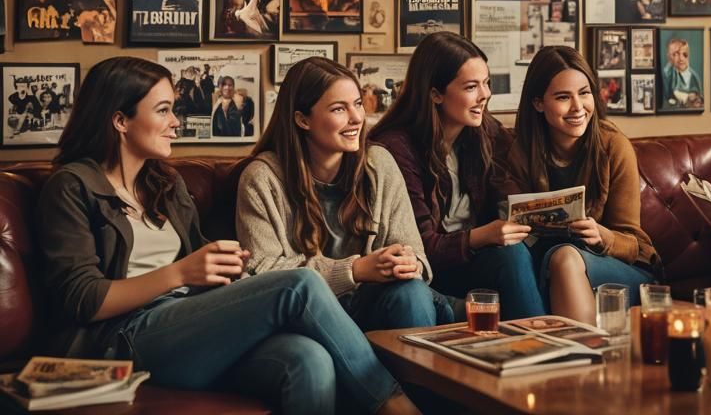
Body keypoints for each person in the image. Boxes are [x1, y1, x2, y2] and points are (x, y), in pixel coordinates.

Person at [34, 56, 421, 415]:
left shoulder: (164, 184)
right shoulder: (72, 186)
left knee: (309, 358)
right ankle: (396, 404)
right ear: (120, 120)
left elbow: (201, 265)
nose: (176, 122)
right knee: (298, 284)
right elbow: (83, 299)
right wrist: (182, 274)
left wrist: (231, 269)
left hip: (191, 327)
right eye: (164, 110)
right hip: (122, 338)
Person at [237, 57, 448, 332]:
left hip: (376, 303)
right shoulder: (262, 178)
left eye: (358, 104)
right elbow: (261, 273)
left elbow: (415, 252)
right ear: (302, 120)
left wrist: (407, 262)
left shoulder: (378, 163)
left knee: (412, 290)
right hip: (307, 315)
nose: (357, 118)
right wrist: (354, 270)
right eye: (339, 109)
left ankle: (424, 373)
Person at [370, 33, 546, 319]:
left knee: (516, 252)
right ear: (435, 93)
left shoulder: (484, 131)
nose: (485, 94)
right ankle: (539, 346)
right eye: (471, 86)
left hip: (472, 263)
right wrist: (481, 236)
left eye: (486, 83)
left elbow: (511, 190)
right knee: (509, 254)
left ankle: (540, 346)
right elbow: (420, 246)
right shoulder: (396, 150)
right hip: (427, 272)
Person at [507, 46, 657, 321]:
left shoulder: (613, 146)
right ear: (538, 103)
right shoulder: (520, 152)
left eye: (584, 93)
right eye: (563, 97)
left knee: (565, 257)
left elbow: (634, 243)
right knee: (550, 258)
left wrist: (602, 236)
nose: (578, 107)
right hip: (546, 268)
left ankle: (585, 359)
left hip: (619, 270)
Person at [661, 37, 703, 110]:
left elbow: (700, 102)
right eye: (675, 54)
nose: (681, 58)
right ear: (669, 57)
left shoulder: (694, 77)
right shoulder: (668, 73)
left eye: (685, 54)